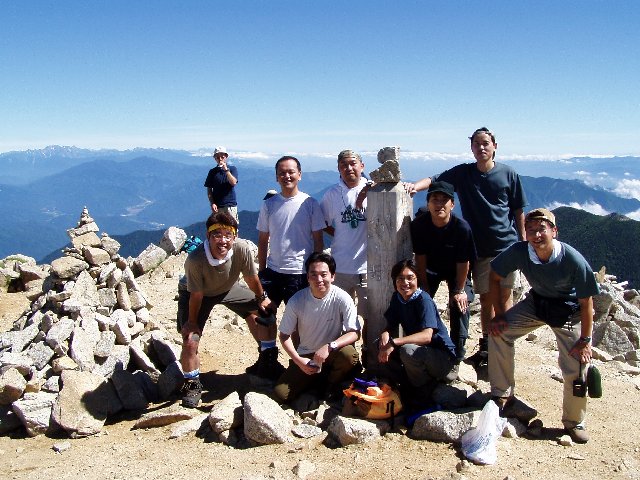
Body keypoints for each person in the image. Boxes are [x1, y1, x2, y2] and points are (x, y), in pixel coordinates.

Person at [408, 128, 527, 367]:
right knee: (485, 299)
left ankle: (503, 345)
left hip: (505, 244)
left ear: (495, 146)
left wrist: (524, 243)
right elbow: (435, 179)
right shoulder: (464, 173)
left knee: (503, 298)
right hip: (479, 249)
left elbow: (518, 210)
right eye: (476, 144)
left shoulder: (508, 174)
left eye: (485, 143)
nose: (481, 148)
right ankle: (486, 346)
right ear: (471, 148)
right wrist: (413, 187)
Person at [488, 208, 599, 444]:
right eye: (531, 230)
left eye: (542, 229)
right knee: (499, 333)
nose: (536, 235)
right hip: (537, 303)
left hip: (569, 313)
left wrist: (585, 341)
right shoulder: (520, 251)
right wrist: (499, 315)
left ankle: (574, 422)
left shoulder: (572, 259)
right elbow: (495, 275)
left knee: (578, 365)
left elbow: (587, 303)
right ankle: (502, 395)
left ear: (554, 231)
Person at [177, 212, 280, 408]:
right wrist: (191, 322)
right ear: (208, 236)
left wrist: (262, 299)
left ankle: (267, 359)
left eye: (228, 234)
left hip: (228, 288)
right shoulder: (196, 260)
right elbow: (196, 296)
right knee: (190, 341)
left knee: (265, 313)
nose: (223, 240)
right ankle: (191, 384)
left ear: (235, 236)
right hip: (198, 294)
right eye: (217, 235)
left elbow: (251, 278)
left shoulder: (241, 249)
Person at [409, 181, 477, 380]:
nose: (439, 204)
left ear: (452, 205)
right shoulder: (419, 226)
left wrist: (459, 290)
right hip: (430, 268)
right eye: (434, 199)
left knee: (460, 306)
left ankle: (456, 354)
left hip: (457, 271)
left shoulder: (462, 228)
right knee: (419, 301)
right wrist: (424, 288)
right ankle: (422, 345)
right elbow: (420, 258)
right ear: (428, 203)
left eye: (444, 200)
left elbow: (464, 262)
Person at [274, 252, 362, 403]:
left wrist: (330, 346)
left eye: (323, 274)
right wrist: (298, 360)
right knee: (280, 394)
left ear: (332, 276)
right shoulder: (297, 300)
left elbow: (354, 332)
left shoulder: (342, 297)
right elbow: (284, 335)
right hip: (307, 356)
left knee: (349, 356)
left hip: (332, 352)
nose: (319, 279)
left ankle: (329, 386)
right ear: (307, 277)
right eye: (313, 275)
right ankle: (314, 379)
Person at [377, 259, 457, 408]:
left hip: (442, 358)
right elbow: (391, 323)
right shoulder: (398, 298)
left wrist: (394, 342)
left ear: (417, 279)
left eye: (410, 278)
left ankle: (422, 391)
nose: (405, 283)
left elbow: (427, 336)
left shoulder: (423, 300)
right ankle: (404, 384)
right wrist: (385, 334)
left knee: (408, 351)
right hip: (422, 353)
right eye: (400, 278)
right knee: (380, 345)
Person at [257, 156, 325, 310]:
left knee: (299, 322)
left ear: (299, 175)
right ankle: (269, 336)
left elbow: (318, 241)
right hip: (272, 271)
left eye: (291, 172)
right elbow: (262, 239)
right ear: (276, 177)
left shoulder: (310, 203)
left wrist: (315, 269)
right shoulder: (269, 204)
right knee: (266, 316)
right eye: (282, 173)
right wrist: (262, 271)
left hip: (300, 272)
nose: (286, 176)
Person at [320, 150, 369, 344]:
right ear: (339, 169)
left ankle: (370, 359)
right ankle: (346, 359)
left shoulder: (374, 190)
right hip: (340, 267)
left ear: (361, 166)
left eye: (353, 163)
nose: (348, 168)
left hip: (368, 267)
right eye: (343, 165)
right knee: (340, 318)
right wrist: (339, 233)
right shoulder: (332, 194)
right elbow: (322, 221)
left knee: (371, 318)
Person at [204, 146, 239, 224]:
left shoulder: (232, 169)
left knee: (232, 226)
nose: (220, 159)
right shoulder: (212, 172)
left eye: (222, 157)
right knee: (218, 227)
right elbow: (209, 190)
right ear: (215, 158)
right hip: (218, 206)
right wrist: (212, 203)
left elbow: (233, 182)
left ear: (226, 157)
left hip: (230, 205)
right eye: (217, 157)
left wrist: (226, 170)